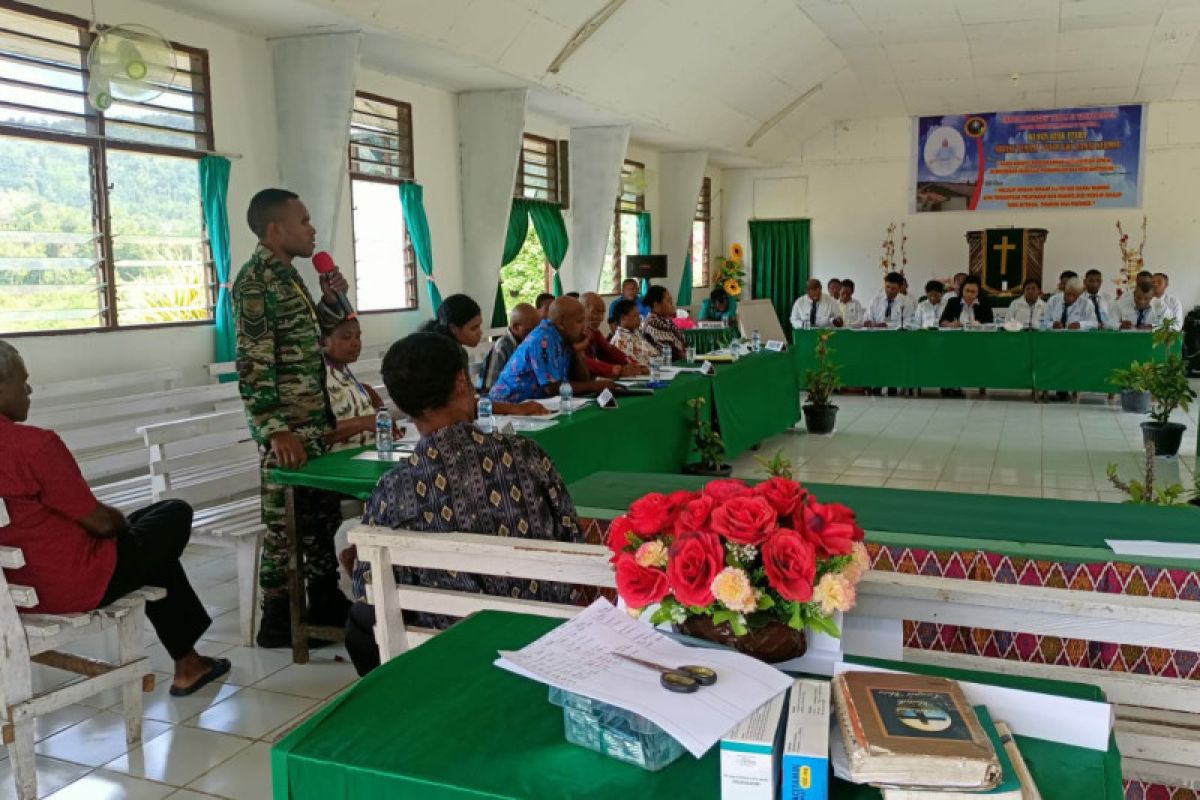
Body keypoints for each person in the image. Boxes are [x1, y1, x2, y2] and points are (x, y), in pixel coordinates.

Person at [344, 333, 584, 676]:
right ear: (461, 382)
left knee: (360, 614)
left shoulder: (394, 488)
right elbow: (573, 539)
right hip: (540, 632)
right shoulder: (526, 455)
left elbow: (369, 593)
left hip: (450, 646)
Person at [0, 341, 230, 696]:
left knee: (149, 539)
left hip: (11, 588)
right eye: (22, 381)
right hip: (70, 583)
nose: (29, 390)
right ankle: (188, 664)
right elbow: (103, 524)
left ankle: (191, 664)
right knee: (173, 514)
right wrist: (122, 528)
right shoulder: (32, 446)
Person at [233, 188, 351, 648]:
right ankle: (277, 618)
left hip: (313, 423)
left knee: (318, 516)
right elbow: (253, 364)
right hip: (288, 429)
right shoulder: (256, 283)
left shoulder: (289, 276)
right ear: (276, 229)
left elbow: (310, 340)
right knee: (285, 525)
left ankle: (323, 603)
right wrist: (274, 428)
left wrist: (329, 301)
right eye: (304, 221)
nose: (312, 229)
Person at [423, 294, 547, 416]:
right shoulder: (447, 355)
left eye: (479, 326)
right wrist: (516, 409)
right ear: (454, 328)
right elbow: (466, 403)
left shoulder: (457, 351)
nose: (480, 332)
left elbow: (469, 398)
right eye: (473, 328)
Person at [489, 296, 614, 403]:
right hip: (509, 407)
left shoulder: (563, 337)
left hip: (536, 406)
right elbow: (552, 388)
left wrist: (575, 349)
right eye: (579, 321)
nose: (584, 326)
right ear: (561, 322)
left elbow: (581, 379)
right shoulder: (544, 339)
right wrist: (595, 386)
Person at [322, 317, 385, 451]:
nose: (355, 343)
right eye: (346, 337)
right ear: (323, 341)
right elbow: (312, 435)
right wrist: (363, 423)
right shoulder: (317, 380)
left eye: (358, 337)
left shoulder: (345, 374)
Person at [580, 292, 646, 378]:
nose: (601, 318)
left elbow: (609, 351)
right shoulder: (570, 333)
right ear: (580, 311)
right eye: (596, 312)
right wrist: (615, 370)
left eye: (602, 313)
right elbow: (582, 362)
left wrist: (635, 365)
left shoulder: (594, 332)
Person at [481, 303, 539, 392]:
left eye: (536, 330)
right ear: (515, 327)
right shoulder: (502, 347)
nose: (534, 334)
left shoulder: (530, 343)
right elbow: (490, 386)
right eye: (529, 330)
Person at [640, 285, 687, 360]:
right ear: (656, 305)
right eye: (668, 300)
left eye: (671, 300)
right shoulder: (654, 323)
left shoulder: (664, 320)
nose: (672, 304)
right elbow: (672, 351)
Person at [609, 299, 661, 366]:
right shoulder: (620, 341)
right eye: (635, 316)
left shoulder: (635, 332)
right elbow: (636, 366)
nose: (639, 318)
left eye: (639, 315)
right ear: (623, 318)